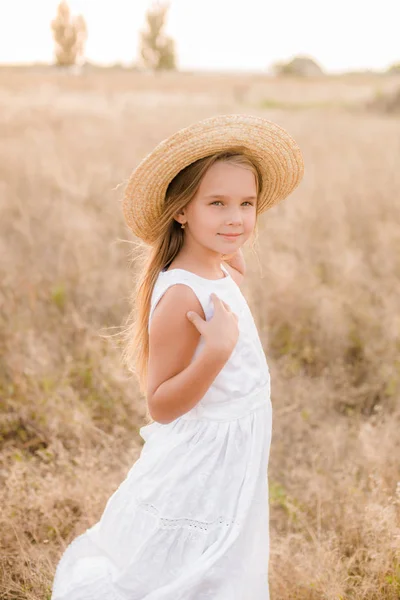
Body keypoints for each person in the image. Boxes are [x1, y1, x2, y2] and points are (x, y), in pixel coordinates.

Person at [50, 114, 304, 599]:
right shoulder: (182, 298)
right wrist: (215, 353)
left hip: (235, 446)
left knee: (225, 548)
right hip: (205, 454)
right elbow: (161, 405)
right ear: (182, 212)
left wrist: (224, 250)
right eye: (217, 204)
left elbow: (216, 247)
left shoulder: (210, 259)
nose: (236, 218)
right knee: (191, 553)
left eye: (246, 204)